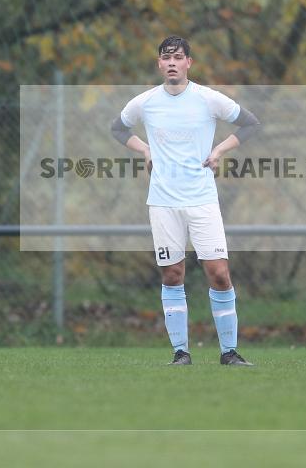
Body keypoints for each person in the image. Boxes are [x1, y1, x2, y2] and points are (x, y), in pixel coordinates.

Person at [111, 36, 261, 366]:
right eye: (166, 58)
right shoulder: (145, 102)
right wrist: (145, 149)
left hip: (202, 200)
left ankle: (229, 352)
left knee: (219, 274)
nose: (172, 63)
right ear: (159, 64)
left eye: (178, 57)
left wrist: (219, 150)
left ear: (188, 63)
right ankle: (181, 352)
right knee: (172, 275)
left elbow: (250, 123)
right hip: (163, 202)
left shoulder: (208, 99)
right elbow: (118, 129)